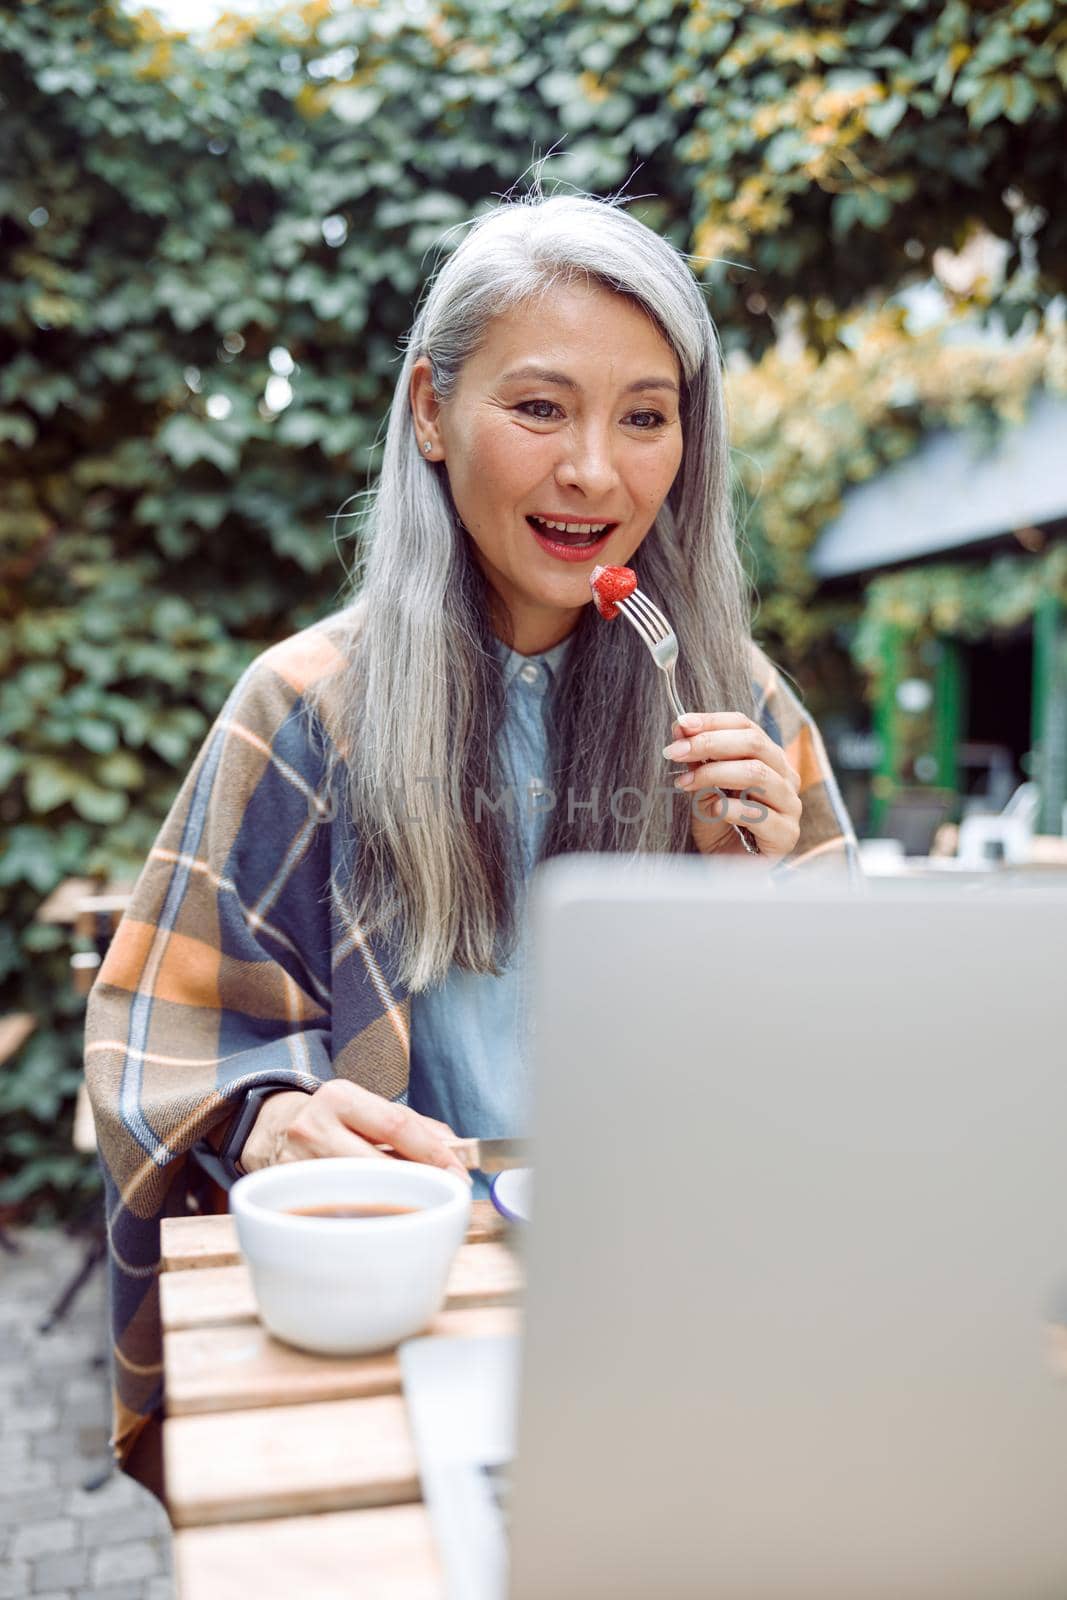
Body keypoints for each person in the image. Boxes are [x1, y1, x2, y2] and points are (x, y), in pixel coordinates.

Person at [85, 190, 860, 1494]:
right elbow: (156, 1039)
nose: (594, 473)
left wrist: (760, 910)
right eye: (540, 407)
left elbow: (853, 1084)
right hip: (400, 1305)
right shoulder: (305, 708)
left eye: (645, 417)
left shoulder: (740, 704)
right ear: (432, 414)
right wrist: (268, 1121)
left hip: (674, 1296)